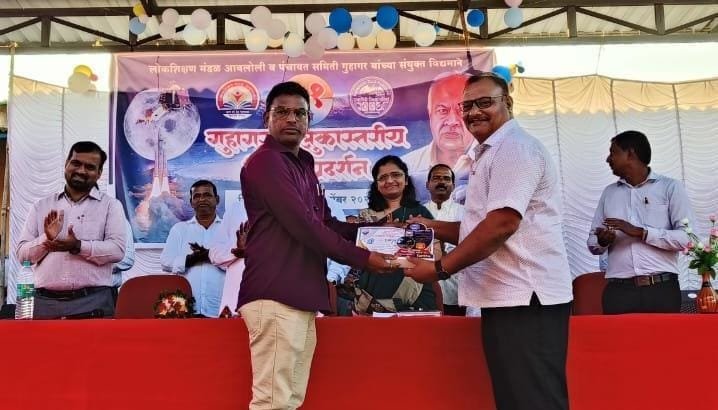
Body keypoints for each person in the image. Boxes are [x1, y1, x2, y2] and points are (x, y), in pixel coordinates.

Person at [404, 73, 573, 410]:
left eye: (484, 102)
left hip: (526, 298)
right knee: (515, 398)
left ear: (507, 103)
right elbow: (479, 228)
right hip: (508, 298)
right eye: (467, 106)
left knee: (533, 400)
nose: (473, 112)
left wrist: (439, 269)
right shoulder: (489, 152)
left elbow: (501, 225)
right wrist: (431, 227)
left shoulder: (514, 149)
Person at [238, 81, 393, 410]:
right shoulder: (266, 162)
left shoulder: (303, 164)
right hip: (275, 294)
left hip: (300, 295)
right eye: (282, 112)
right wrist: (365, 258)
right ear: (267, 118)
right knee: (272, 402)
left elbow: (326, 223)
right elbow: (305, 227)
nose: (292, 119)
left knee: (290, 400)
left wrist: (380, 230)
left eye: (300, 113)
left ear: (309, 120)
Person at [16, 141, 126, 319]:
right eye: (76, 163)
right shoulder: (41, 206)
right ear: (66, 165)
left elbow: (117, 250)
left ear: (99, 173)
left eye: (90, 167)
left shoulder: (111, 206)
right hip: (44, 303)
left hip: (93, 303)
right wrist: (46, 240)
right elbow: (22, 256)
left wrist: (78, 246)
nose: (81, 171)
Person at [587, 130, 694, 314]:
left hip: (661, 290)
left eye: (613, 152)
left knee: (664, 335)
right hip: (618, 293)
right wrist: (602, 242)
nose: (608, 159)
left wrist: (642, 232)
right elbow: (592, 241)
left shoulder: (670, 187)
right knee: (616, 335)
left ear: (631, 154)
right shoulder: (609, 193)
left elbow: (688, 239)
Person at [352, 155, 438, 314]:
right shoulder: (366, 216)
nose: (390, 180)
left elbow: (436, 255)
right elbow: (356, 256)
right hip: (372, 294)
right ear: (377, 185)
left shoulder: (421, 214)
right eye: (383, 177)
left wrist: (412, 242)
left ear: (406, 180)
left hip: (414, 290)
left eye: (396, 175)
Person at [402, 72, 475, 202]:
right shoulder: (407, 167)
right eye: (442, 111)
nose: (452, 121)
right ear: (430, 114)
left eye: (462, 110)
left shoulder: (491, 162)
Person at [160, 180, 225, 317]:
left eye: (207, 195)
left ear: (217, 199)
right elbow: (165, 262)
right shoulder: (180, 230)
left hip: (221, 308)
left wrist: (210, 256)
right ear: (191, 202)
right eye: (197, 196)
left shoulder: (228, 229)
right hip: (185, 308)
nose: (202, 199)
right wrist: (190, 260)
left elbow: (237, 264)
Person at [423, 163, 465, 316]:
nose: (441, 182)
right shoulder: (417, 214)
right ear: (427, 184)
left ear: (453, 185)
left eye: (446, 179)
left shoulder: (466, 213)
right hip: (424, 289)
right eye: (436, 178)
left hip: (457, 289)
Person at [209, 198, 248, 315]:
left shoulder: (285, 207)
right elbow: (214, 254)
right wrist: (237, 249)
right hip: (236, 303)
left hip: (276, 304)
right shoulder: (236, 209)